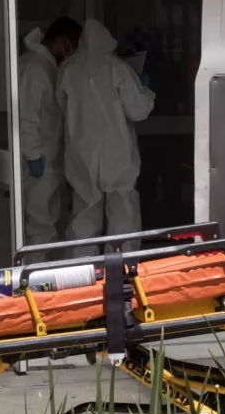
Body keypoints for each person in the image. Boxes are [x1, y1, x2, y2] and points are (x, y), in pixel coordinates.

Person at [57, 19, 155, 255]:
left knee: (84, 214)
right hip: (117, 153)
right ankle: (121, 270)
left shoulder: (67, 70)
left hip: (82, 153)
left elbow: (61, 106)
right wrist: (145, 89)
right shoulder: (117, 67)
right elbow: (139, 110)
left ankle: (80, 273)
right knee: (123, 213)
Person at [18, 17, 82, 253]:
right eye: (73, 46)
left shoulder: (47, 67)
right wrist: (33, 154)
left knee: (49, 226)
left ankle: (44, 281)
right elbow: (28, 115)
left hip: (50, 162)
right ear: (64, 41)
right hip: (38, 164)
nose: (72, 53)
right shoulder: (34, 67)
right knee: (40, 227)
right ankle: (35, 285)